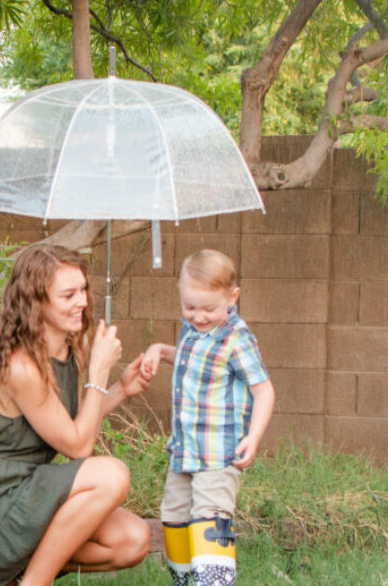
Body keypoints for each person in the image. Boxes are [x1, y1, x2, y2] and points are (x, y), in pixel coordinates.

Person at [0, 244, 155, 586]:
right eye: (68, 295)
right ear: (36, 301)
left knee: (133, 538)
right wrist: (99, 371)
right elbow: (78, 447)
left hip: (25, 495)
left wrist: (121, 390)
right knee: (112, 474)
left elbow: (69, 427)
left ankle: (22, 571)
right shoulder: (21, 366)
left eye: (82, 289)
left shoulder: (69, 350)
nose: (81, 301)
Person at [141, 249, 276, 586]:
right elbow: (192, 357)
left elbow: (264, 390)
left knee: (210, 519)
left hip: (218, 455)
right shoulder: (192, 329)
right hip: (184, 452)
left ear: (232, 297)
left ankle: (215, 582)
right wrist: (159, 349)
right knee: (173, 518)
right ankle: (185, 581)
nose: (198, 316)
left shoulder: (236, 339)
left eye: (208, 308)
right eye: (189, 307)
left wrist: (254, 436)